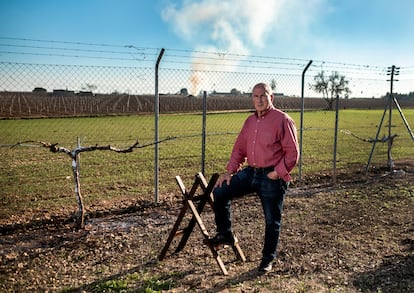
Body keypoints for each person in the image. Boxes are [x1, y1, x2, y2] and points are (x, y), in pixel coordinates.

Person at [209, 82, 299, 273]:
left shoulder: (283, 120)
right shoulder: (250, 121)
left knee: (271, 220)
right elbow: (239, 149)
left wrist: (277, 172)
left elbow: (293, 153)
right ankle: (225, 234)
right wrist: (230, 172)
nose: (259, 100)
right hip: (251, 172)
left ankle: (267, 260)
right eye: (255, 96)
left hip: (272, 176)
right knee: (220, 191)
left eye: (263, 96)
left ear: (271, 98)